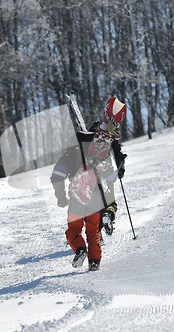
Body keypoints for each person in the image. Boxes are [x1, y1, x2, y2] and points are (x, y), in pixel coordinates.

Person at [51, 97, 127, 271]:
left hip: (78, 194)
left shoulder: (72, 152)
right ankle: (94, 262)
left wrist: (60, 196)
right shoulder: (105, 153)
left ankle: (80, 249)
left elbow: (57, 174)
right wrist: (120, 168)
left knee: (73, 231)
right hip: (96, 197)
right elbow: (109, 176)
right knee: (93, 231)